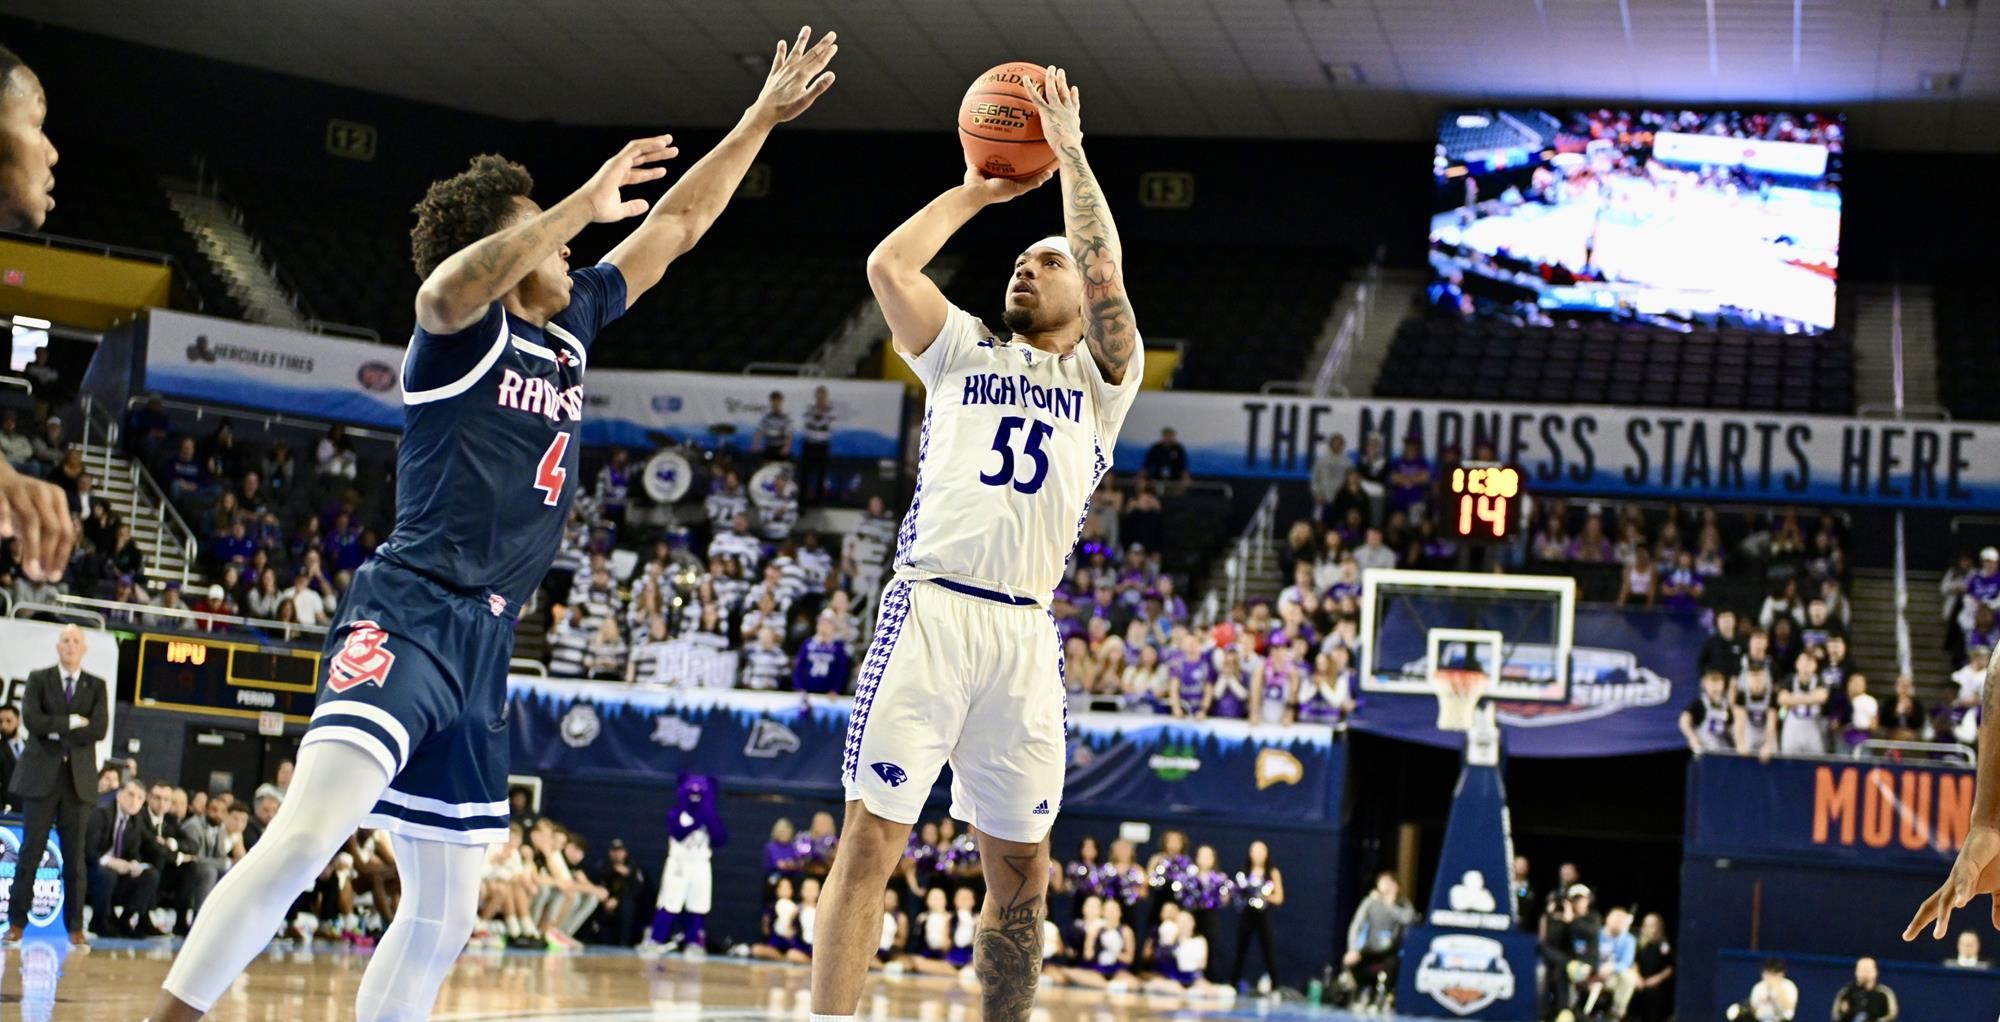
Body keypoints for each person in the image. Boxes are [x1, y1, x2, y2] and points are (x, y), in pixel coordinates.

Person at [148, 30, 838, 1022]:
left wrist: (757, 120)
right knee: (305, 838)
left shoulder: (573, 321)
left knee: (445, 911)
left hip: (483, 642)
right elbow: (445, 283)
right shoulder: (457, 335)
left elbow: (680, 224)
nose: (571, 248)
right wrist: (577, 202)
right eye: (550, 238)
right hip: (410, 613)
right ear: (508, 251)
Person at [813, 66, 1140, 1022]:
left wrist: (1070, 155)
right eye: (1020, 262)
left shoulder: (1102, 384)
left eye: (1048, 262)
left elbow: (1107, 271)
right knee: (872, 840)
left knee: (1023, 870)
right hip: (932, 610)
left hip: (1025, 637)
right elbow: (887, 268)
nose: (1026, 269)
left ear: (1083, 295)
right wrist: (981, 187)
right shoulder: (960, 349)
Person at [7, 624, 104, 945]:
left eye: (76, 641)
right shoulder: (39, 679)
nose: (71, 646)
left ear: (84, 648)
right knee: (30, 853)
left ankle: (75, 929)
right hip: (41, 780)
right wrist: (74, 723)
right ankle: (16, 924)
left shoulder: (96, 686)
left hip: (77, 783)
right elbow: (33, 721)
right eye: (66, 640)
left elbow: (99, 729)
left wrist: (54, 729)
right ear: (58, 646)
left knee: (75, 860)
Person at [86, 779, 164, 937]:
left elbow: (133, 853)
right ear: (119, 794)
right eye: (130, 795)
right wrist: (111, 862)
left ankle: (124, 920)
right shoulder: (101, 813)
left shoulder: (136, 820)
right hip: (93, 870)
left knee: (150, 875)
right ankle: (99, 921)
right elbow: (88, 851)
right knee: (107, 873)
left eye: (140, 798)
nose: (134, 801)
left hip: (118, 873)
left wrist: (134, 863)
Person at [1230, 840, 1284, 993]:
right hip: (1247, 913)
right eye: (1254, 851)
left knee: (1268, 949)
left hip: (1263, 915)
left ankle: (1275, 986)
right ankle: (1233, 983)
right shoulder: (1244, 873)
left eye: (1261, 851)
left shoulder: (1272, 872)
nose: (1258, 855)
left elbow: (1279, 898)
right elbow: (1236, 892)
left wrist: (1262, 897)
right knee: (1240, 949)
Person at [1680, 669, 1739, 754]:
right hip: (1705, 749)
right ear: (1705, 685)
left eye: (1718, 683)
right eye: (1712, 683)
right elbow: (1684, 721)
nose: (1715, 687)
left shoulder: (1726, 704)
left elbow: (1733, 726)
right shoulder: (1699, 704)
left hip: (1724, 750)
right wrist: (1692, 737)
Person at [1631, 912, 1674, 1022]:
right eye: (1646, 925)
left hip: (1657, 985)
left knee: (1653, 997)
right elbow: (1634, 962)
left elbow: (1670, 967)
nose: (1649, 929)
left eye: (1652, 925)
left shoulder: (1664, 945)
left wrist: (1657, 979)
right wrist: (1637, 977)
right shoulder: (1639, 944)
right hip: (1640, 982)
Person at [1828, 956, 1898, 1022]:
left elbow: (1891, 1016)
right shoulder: (1846, 993)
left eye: (1868, 970)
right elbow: (1836, 1016)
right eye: (1861, 970)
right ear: (1856, 972)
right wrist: (1845, 1013)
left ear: (1875, 972)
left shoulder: (1884, 993)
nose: (1864, 973)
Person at [1732, 957, 1797, 1022]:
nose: (1770, 977)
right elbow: (1753, 1010)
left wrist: (1776, 987)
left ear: (1781, 974)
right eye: (1768, 973)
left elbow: (1789, 1008)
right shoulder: (1758, 987)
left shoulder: (1788, 986)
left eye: (1773, 974)